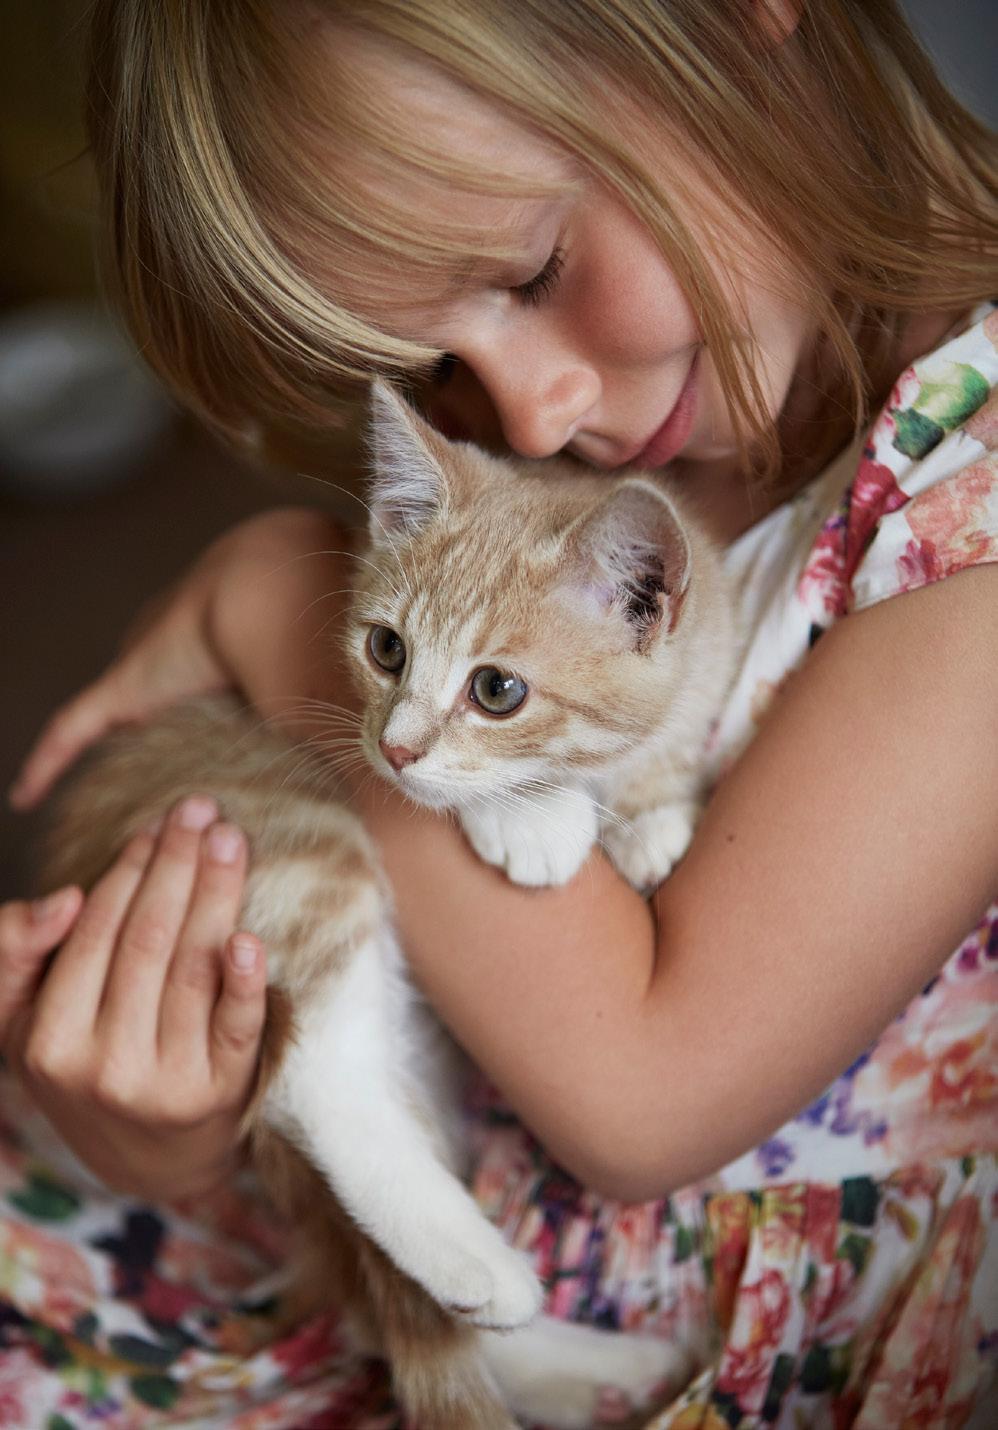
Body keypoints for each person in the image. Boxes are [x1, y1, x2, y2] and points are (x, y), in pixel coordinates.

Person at [1, 1, 996, 1424]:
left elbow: (641, 1098)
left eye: (533, 269)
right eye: (437, 368)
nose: (524, 419)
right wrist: (178, 1123)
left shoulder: (973, 523)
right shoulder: (627, 448)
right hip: (392, 1206)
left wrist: (281, 593)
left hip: (709, 1322)